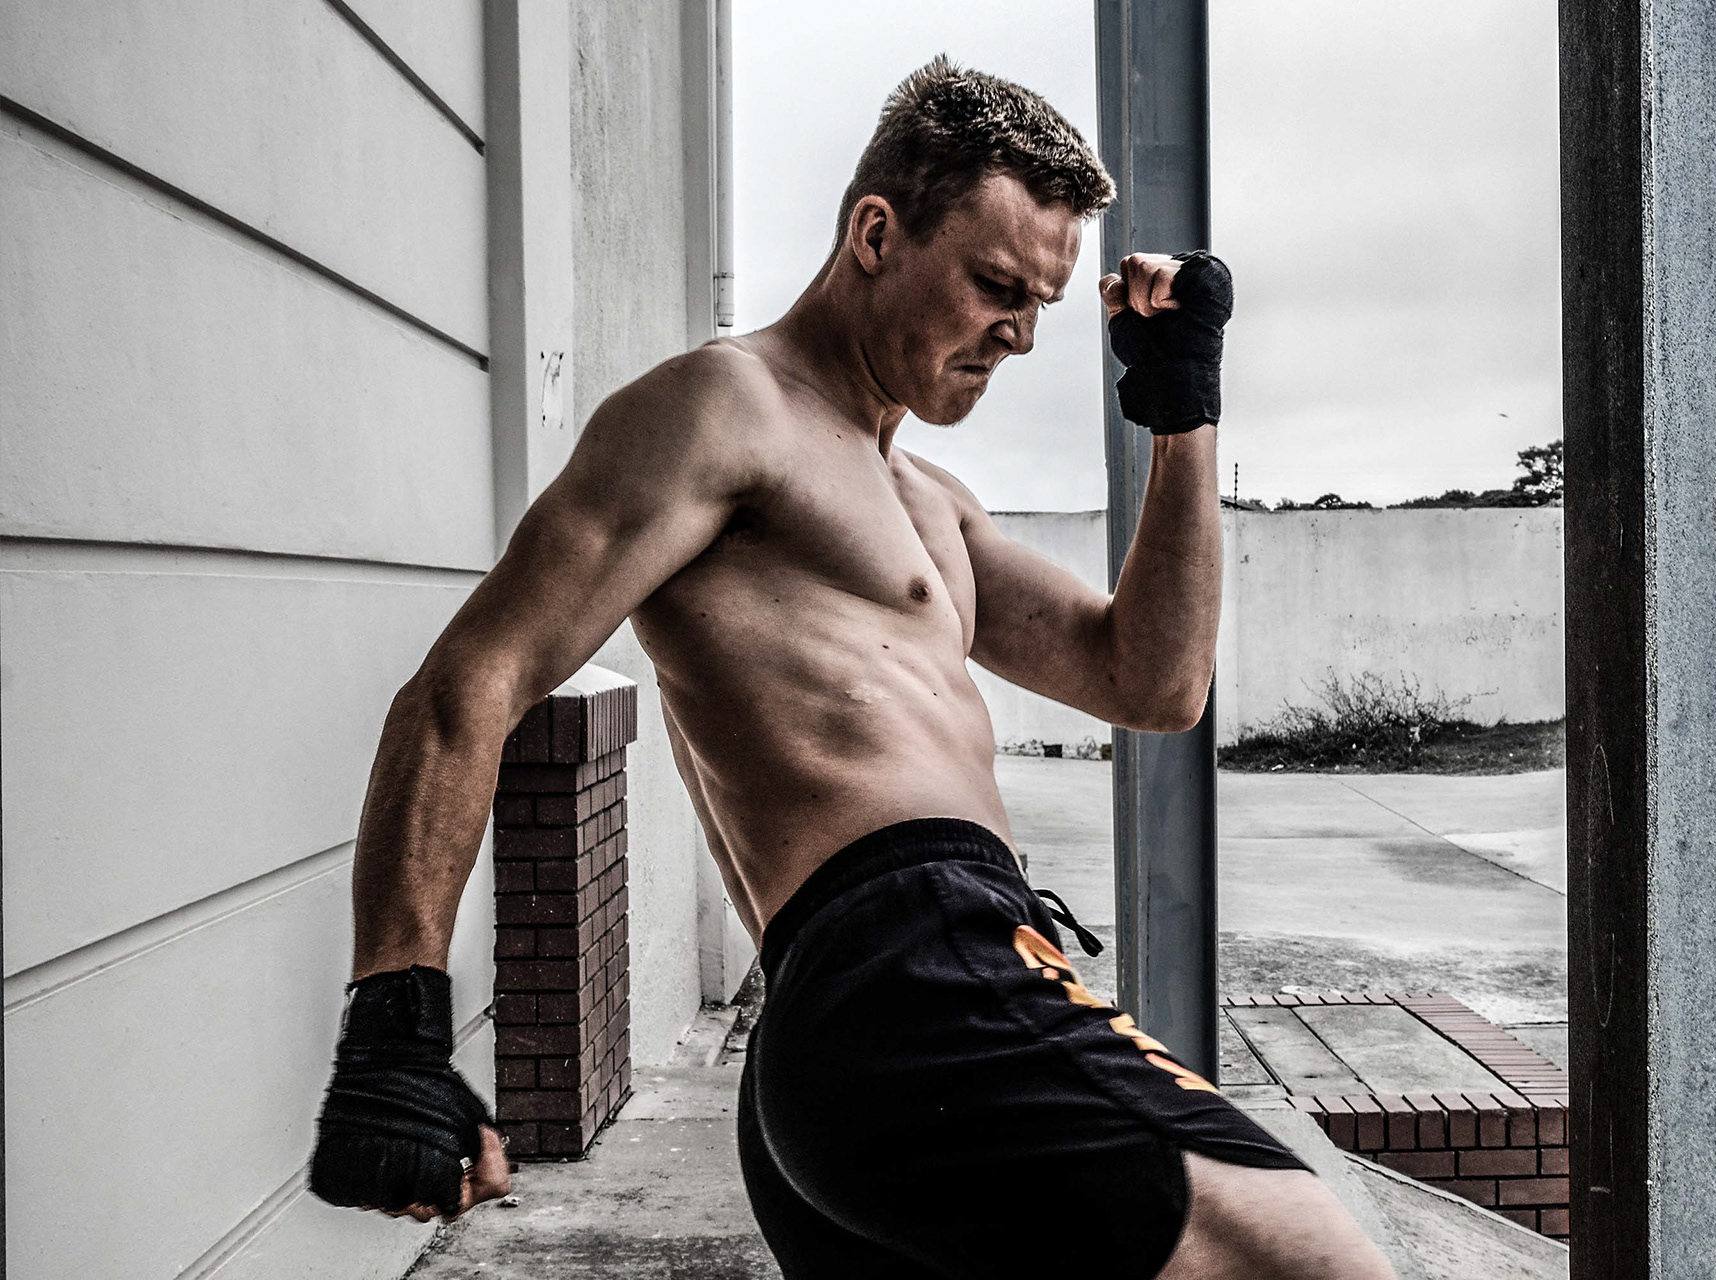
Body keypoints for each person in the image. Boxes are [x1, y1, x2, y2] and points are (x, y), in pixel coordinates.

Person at [308, 54, 1397, 1279]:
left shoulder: (935, 502)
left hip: (875, 1023)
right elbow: (469, 682)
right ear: (876, 233)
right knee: (1308, 1255)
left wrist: (1181, 411)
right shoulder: (727, 408)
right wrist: (395, 1022)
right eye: (996, 285)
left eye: (1041, 301)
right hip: (911, 967)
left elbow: (1151, 681)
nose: (1021, 334)